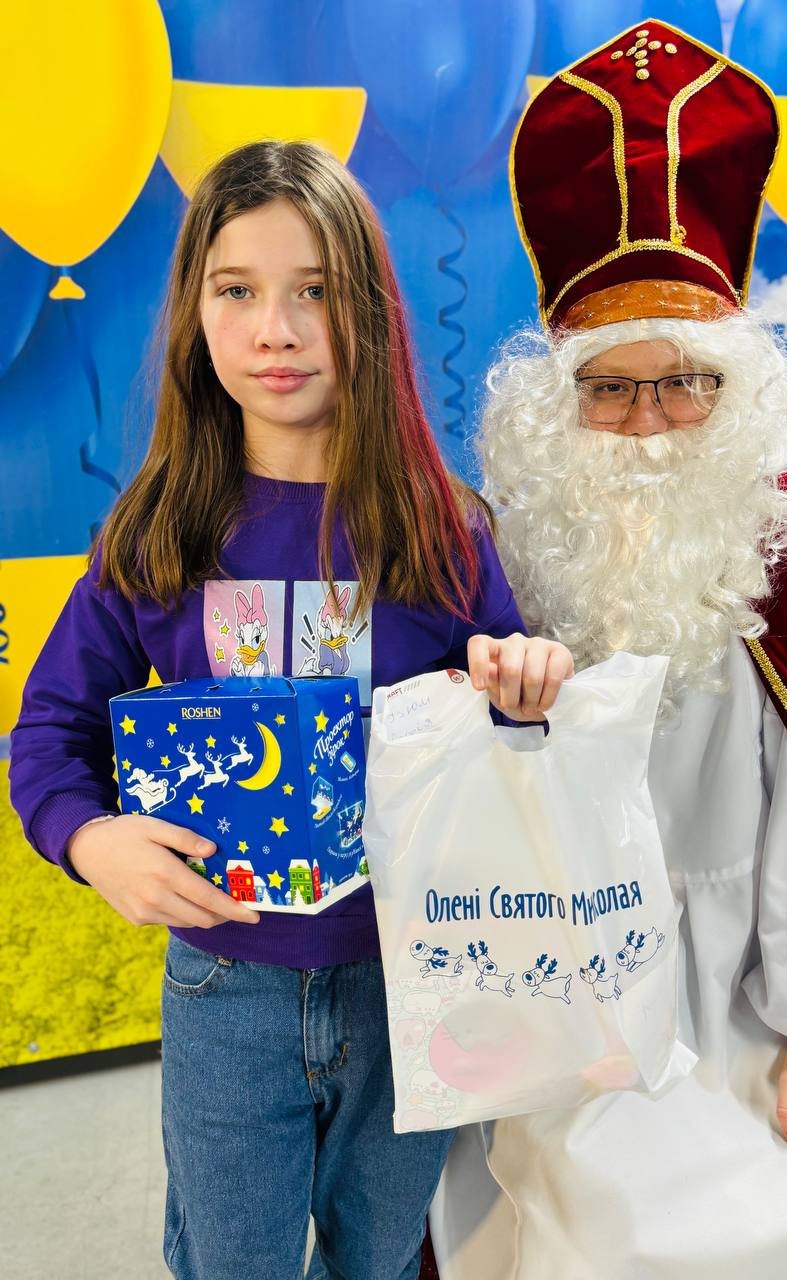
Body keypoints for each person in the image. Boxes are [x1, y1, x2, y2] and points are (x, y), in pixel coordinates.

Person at [429, 21, 787, 1280]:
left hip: (758, 987)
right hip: (560, 994)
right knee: (607, 1228)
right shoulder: (500, 550)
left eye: (685, 383)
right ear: (557, 402)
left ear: (734, 390)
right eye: (610, 387)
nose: (652, 423)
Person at [9, 140, 572, 1280]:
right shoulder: (153, 534)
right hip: (226, 989)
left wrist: (526, 685)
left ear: (368, 310)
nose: (276, 329)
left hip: (411, 979)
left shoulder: (444, 531)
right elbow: (47, 735)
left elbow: (515, 738)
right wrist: (90, 838)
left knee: (387, 1254)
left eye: (313, 290)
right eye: (237, 290)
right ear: (194, 314)